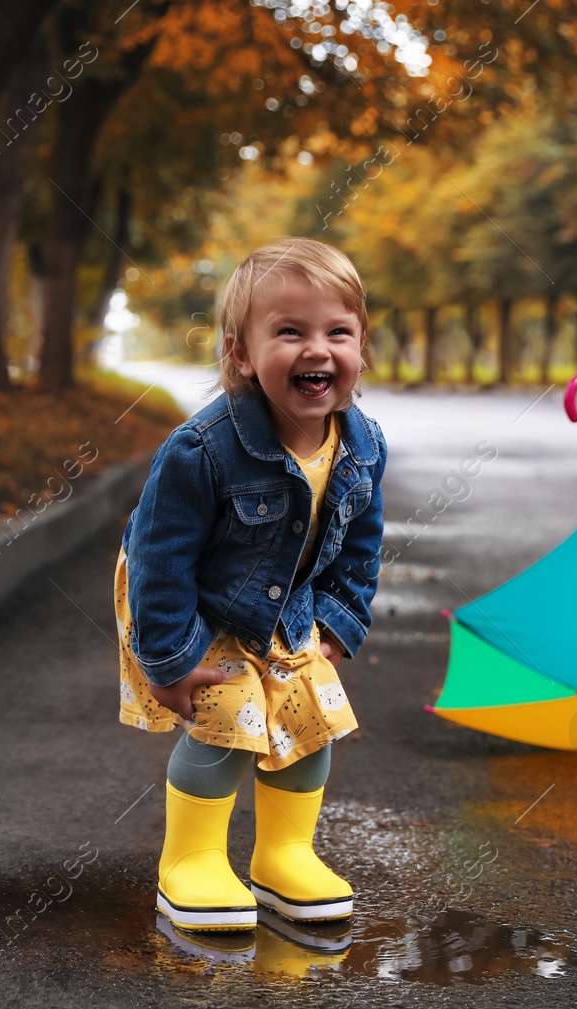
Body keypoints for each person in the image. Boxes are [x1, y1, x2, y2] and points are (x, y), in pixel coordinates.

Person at [114, 236, 386, 933]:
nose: (317, 349)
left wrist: (335, 625)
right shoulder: (202, 449)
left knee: (307, 713)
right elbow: (158, 556)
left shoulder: (363, 443)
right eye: (289, 331)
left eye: (338, 331)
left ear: (361, 345)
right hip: (193, 603)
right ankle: (193, 859)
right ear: (240, 353)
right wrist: (169, 659)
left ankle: (284, 852)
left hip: (286, 604)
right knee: (224, 720)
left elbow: (359, 542)